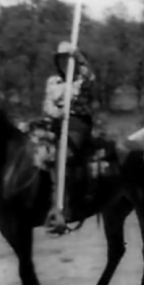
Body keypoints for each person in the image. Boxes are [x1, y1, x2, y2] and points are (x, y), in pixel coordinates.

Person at [43, 41, 98, 234]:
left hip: (77, 122)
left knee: (64, 156)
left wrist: (80, 56)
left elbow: (91, 77)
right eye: (62, 60)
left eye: (69, 60)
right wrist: (55, 113)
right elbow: (47, 105)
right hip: (55, 122)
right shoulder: (52, 81)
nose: (66, 63)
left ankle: (64, 210)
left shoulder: (82, 79)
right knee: (36, 153)